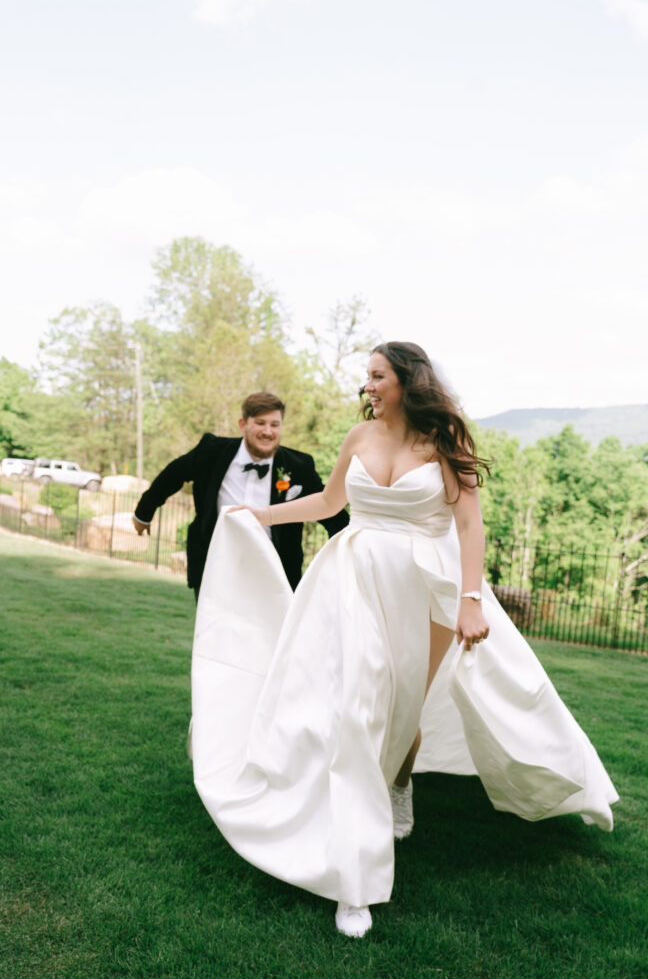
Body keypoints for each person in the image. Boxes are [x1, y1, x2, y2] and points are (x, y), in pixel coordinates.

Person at [190, 343, 618, 939]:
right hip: (351, 578)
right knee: (356, 706)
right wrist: (259, 518)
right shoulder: (358, 438)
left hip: (425, 587)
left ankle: (398, 781)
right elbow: (331, 502)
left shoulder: (444, 441)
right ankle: (353, 878)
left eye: (377, 375)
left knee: (402, 710)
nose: (367, 385)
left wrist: (471, 600)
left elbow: (469, 525)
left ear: (407, 380)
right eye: (366, 376)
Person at [132, 391, 349, 596]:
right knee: (214, 634)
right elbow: (172, 475)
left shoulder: (299, 465)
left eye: (275, 424)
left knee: (272, 636)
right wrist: (143, 513)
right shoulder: (212, 451)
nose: (268, 431)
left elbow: (329, 508)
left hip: (274, 574)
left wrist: (351, 545)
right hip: (215, 567)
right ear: (243, 424)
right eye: (260, 423)